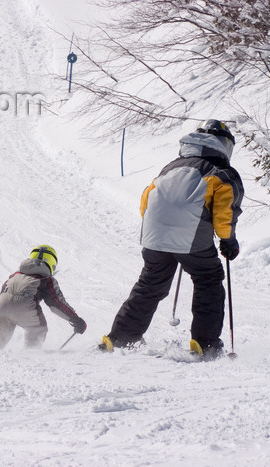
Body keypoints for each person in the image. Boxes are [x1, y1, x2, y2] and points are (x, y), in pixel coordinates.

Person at [99, 119, 244, 359]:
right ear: (224, 144)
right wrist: (228, 240)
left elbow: (147, 199)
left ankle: (120, 338)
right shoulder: (223, 173)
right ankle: (205, 344)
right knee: (208, 279)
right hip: (191, 236)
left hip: (154, 233)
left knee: (150, 284)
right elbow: (224, 213)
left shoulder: (172, 166)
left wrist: (163, 230)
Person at [0, 245, 87, 351]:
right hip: (24, 306)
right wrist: (75, 319)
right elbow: (55, 303)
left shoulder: (14, 276)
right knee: (38, 330)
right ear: (51, 263)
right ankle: (30, 357)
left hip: (2, 306)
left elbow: (3, 294)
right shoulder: (46, 279)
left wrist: (4, 312)